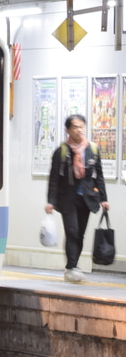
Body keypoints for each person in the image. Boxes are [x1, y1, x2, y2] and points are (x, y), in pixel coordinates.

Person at [46, 114, 110, 283]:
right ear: (68, 130)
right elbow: (53, 178)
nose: (79, 130)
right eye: (75, 127)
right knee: (72, 231)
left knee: (80, 233)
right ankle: (72, 266)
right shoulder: (62, 151)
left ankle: (74, 265)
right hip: (68, 198)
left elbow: (99, 176)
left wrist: (104, 198)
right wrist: (51, 201)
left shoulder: (93, 149)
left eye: (82, 126)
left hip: (87, 197)